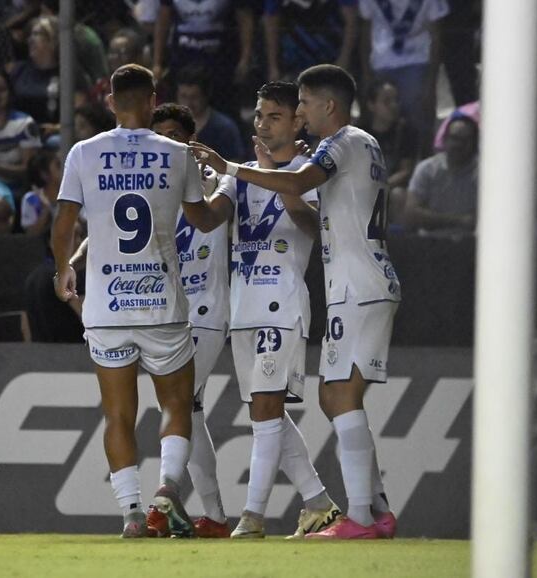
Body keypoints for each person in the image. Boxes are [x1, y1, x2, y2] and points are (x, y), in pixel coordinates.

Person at [190, 64, 401, 540]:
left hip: (346, 287)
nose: (300, 113)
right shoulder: (364, 143)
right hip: (357, 282)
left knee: (336, 396)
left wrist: (235, 168)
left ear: (327, 106)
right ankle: (368, 508)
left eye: (301, 105)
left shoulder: (337, 144)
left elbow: (301, 186)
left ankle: (356, 519)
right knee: (332, 397)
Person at [51, 63, 220, 539]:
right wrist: (225, 188)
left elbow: (64, 222)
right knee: (176, 405)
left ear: (109, 101)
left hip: (106, 306)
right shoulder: (177, 153)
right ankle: (166, 491)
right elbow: (202, 219)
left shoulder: (83, 153)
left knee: (117, 414)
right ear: (151, 100)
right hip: (161, 302)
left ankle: (129, 514)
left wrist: (63, 267)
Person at [191, 81, 343, 539]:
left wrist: (274, 181)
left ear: (297, 121)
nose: (262, 122)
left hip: (282, 305)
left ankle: (252, 517)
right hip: (243, 308)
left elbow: (315, 228)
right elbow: (206, 219)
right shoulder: (237, 177)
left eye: (274, 115)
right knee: (266, 413)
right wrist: (189, 181)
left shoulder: (306, 172)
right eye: (259, 115)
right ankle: (318, 504)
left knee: (265, 408)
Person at [145, 102, 231, 538]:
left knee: (177, 404)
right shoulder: (149, 193)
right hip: (170, 313)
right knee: (189, 413)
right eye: (159, 136)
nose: (168, 144)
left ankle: (166, 495)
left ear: (190, 142)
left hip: (208, 310)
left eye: (176, 136)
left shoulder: (215, 183)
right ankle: (214, 517)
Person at [358, 0, 449, 155]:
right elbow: (365, 29)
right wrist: (366, 71)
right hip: (381, 61)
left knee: (417, 119)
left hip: (417, 61)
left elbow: (436, 33)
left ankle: (422, 161)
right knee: (380, 119)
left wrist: (431, 80)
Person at [403, 114, 479, 232]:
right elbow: (411, 214)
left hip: (471, 245)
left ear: (475, 143)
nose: (458, 144)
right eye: (454, 138)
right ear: (444, 139)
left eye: (465, 140)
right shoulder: (426, 169)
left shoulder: (484, 174)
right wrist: (459, 220)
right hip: (429, 245)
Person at [358, 79, 418, 225]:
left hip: (392, 188)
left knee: (399, 196)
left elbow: (406, 171)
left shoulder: (406, 132)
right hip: (363, 186)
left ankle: (399, 242)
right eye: (386, 101)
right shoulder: (358, 134)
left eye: (396, 100)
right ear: (372, 105)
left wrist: (381, 185)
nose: (394, 106)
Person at [263, 0, 358, 82]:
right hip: (293, 63)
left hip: (330, 60)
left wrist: (343, 60)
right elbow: (271, 20)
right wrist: (273, 67)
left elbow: (351, 21)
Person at [176, 64, 245, 162]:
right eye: (183, 96)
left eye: (194, 97)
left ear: (206, 95)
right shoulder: (169, 124)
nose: (188, 103)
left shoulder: (224, 128)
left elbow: (235, 166)